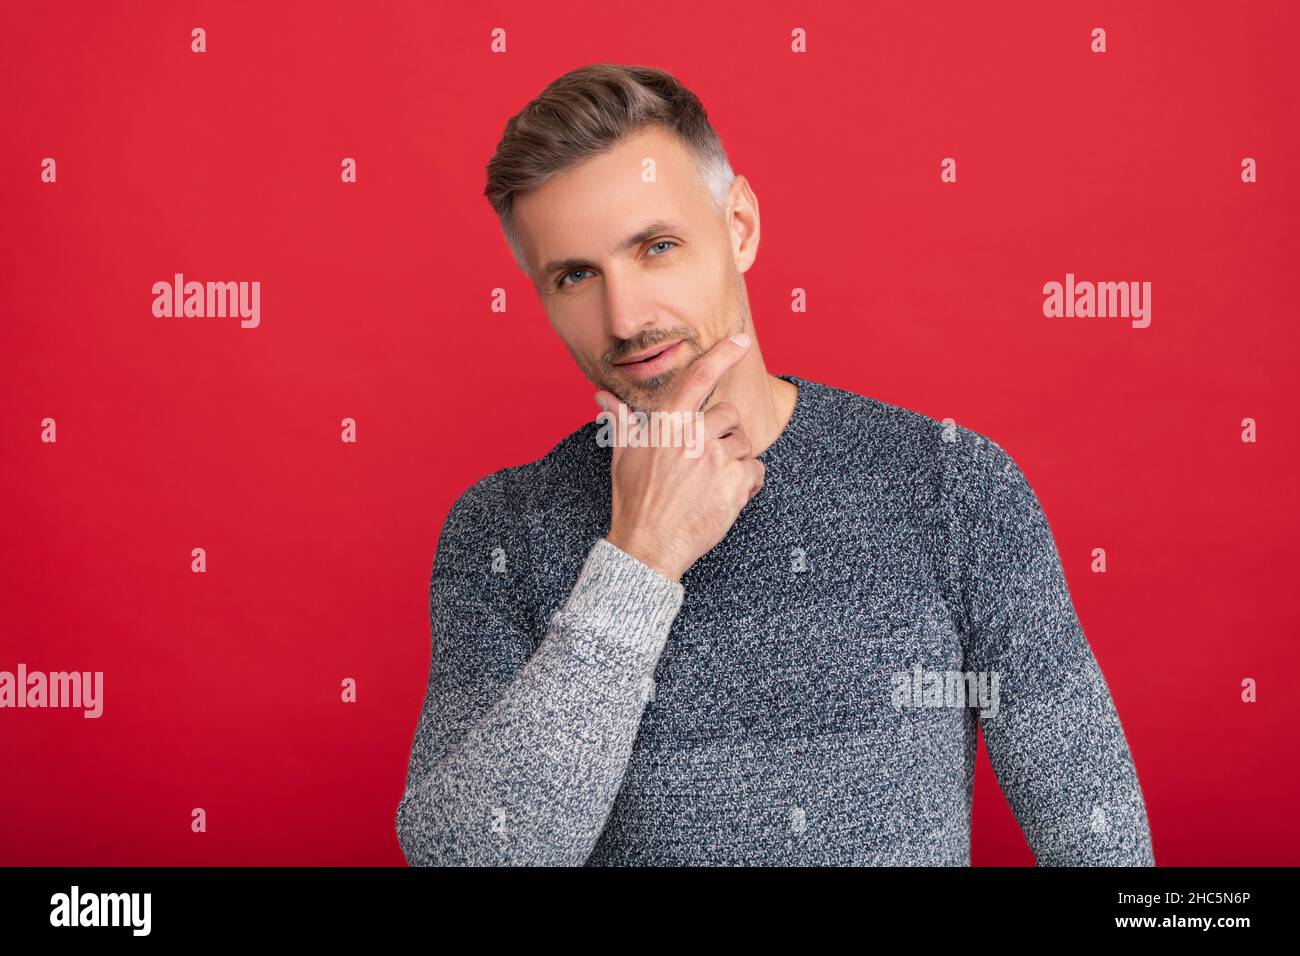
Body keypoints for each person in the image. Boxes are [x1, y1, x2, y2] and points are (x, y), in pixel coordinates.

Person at [394, 63, 1155, 866]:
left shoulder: (951, 486)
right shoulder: (502, 532)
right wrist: (638, 561)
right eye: (575, 275)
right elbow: (465, 856)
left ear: (741, 226)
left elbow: (1099, 837)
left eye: (657, 246)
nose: (625, 319)